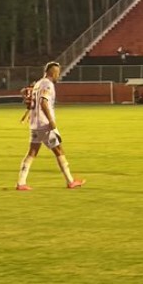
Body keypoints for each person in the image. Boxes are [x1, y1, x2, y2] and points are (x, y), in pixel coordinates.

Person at [16, 62, 85, 191]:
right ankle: (70, 181)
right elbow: (43, 102)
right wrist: (51, 120)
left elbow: (31, 101)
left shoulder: (37, 84)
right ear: (52, 72)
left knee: (32, 152)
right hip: (45, 124)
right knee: (58, 150)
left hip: (35, 124)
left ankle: (21, 182)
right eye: (57, 72)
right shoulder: (48, 84)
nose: (58, 75)